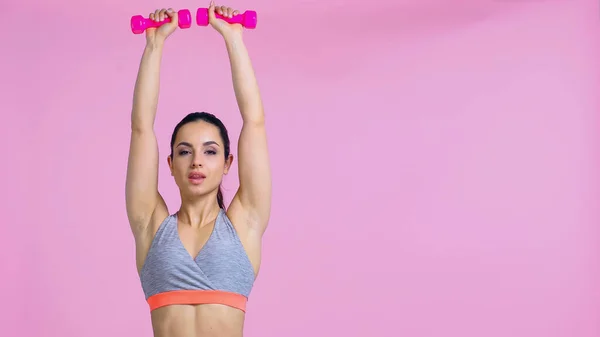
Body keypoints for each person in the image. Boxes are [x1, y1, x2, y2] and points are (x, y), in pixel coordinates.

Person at [125, 2, 271, 336]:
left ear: (227, 164)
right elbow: (141, 128)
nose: (197, 161)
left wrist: (233, 38)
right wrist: (154, 45)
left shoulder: (246, 225)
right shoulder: (150, 225)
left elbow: (255, 123)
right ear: (171, 165)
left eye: (210, 151)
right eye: (184, 151)